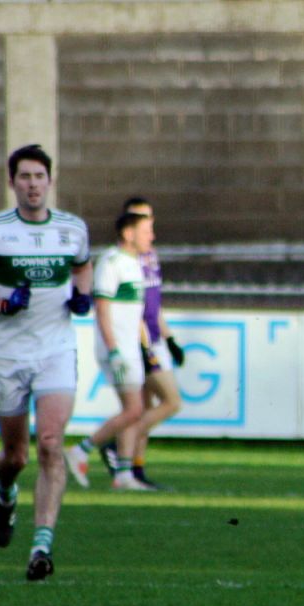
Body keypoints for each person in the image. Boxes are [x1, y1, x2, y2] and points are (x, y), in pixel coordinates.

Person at [0, 144, 93, 580]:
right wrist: (2, 304)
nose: (32, 184)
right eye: (24, 177)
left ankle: (41, 547)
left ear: (50, 181)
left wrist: (82, 296)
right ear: (12, 183)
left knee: (50, 442)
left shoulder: (71, 229)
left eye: (39, 177)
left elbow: (82, 267)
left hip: (56, 350)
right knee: (16, 456)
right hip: (8, 353)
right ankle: (5, 491)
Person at [63, 212, 154, 491]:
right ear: (128, 233)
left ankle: (123, 475)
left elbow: (134, 313)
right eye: (146, 230)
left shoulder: (135, 264)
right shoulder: (111, 262)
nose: (151, 236)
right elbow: (102, 308)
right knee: (134, 408)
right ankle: (81, 449)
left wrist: (145, 347)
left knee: (133, 410)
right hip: (117, 349)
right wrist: (114, 349)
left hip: (130, 348)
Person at [98, 197, 183, 489]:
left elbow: (153, 303)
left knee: (147, 404)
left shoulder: (148, 255)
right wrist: (145, 344)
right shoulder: (122, 260)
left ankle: (135, 468)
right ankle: (116, 444)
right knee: (168, 401)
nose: (150, 228)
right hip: (141, 340)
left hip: (154, 338)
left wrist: (169, 338)